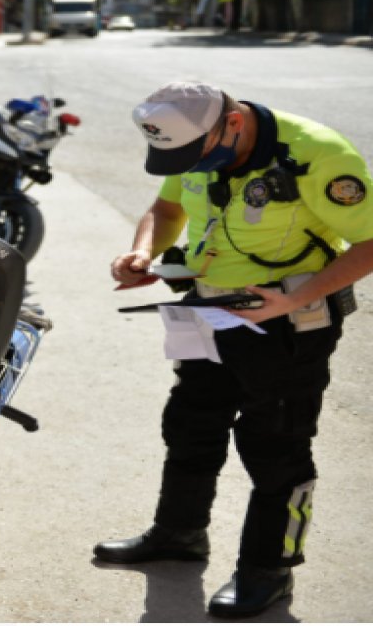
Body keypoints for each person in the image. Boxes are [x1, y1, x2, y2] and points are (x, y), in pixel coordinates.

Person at [103, 82, 373, 618]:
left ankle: (268, 574)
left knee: (276, 447)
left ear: (232, 122)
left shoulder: (318, 155)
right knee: (189, 424)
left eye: (195, 155)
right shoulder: (194, 141)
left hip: (289, 323)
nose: (190, 165)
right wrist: (140, 254)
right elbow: (166, 207)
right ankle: (179, 534)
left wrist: (298, 297)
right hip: (209, 312)